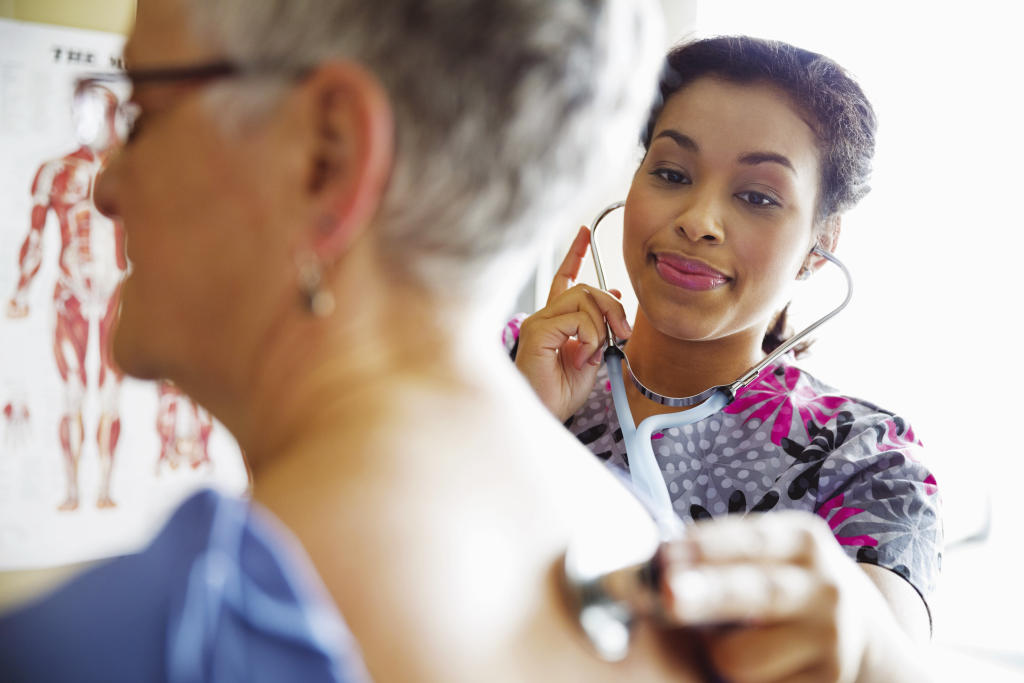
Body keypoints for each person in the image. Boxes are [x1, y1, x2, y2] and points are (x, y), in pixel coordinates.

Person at [0, 0, 719, 681]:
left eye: (140, 114)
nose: (105, 186)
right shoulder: (650, 569)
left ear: (328, 156)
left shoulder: (137, 642)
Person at [510, 35, 941, 681]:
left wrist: (861, 642)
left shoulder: (868, 455)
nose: (699, 219)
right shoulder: (498, 358)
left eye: (758, 196)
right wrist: (520, 418)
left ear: (819, 246)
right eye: (672, 173)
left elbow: (889, 657)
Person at [6, 80, 126, 510]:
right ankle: (74, 491)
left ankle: (106, 489)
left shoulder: (132, 171)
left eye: (95, 112)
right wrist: (20, 289)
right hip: (69, 294)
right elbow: (35, 237)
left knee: (110, 392)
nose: (85, 122)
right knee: (73, 390)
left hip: (116, 293)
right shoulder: (55, 172)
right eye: (80, 112)